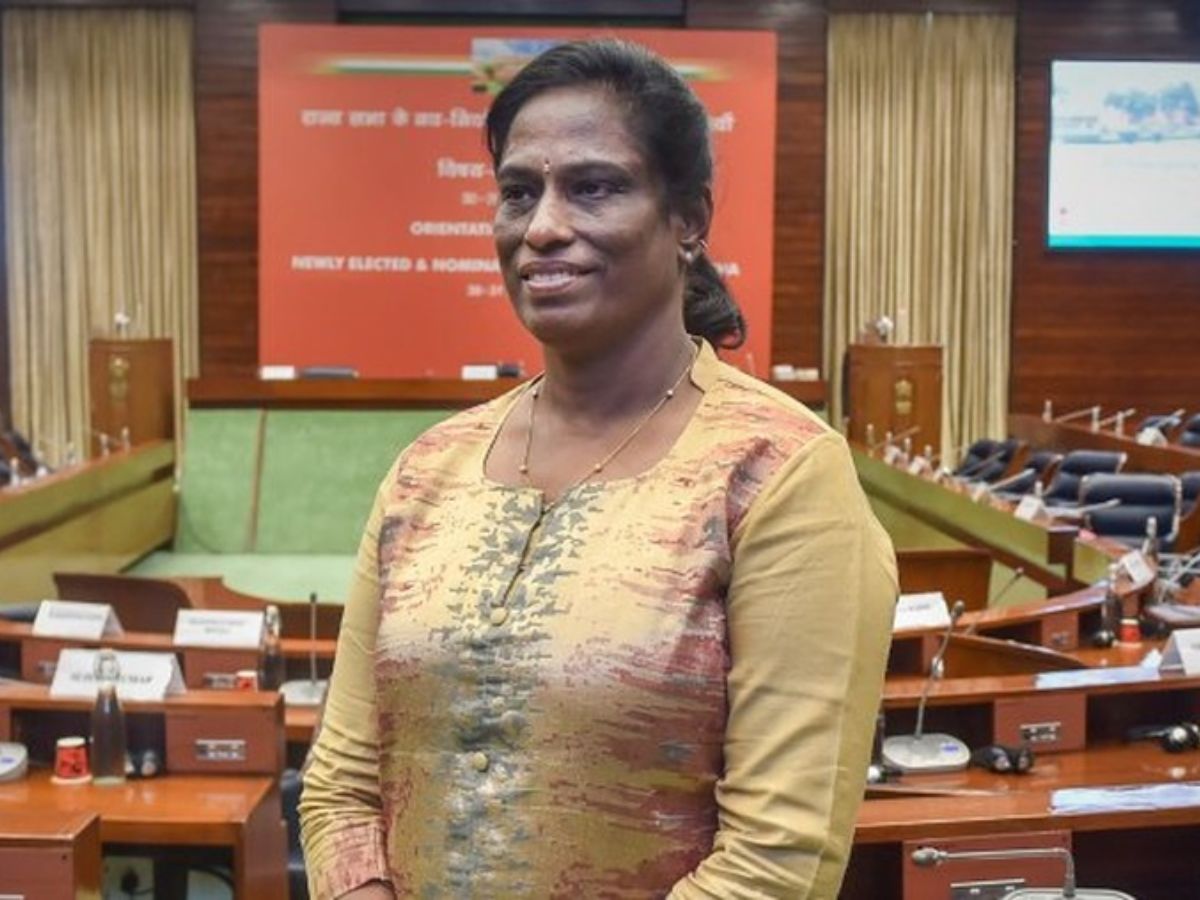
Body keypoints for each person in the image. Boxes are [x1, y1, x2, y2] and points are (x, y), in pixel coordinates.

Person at [300, 38, 896, 899]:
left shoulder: (780, 474)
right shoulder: (427, 470)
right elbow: (342, 787)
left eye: (594, 187)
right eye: (518, 192)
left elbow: (777, 862)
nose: (542, 226)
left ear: (688, 218)